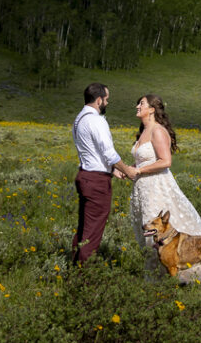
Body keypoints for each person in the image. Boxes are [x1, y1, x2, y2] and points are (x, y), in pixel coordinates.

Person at [127, 94, 201, 288]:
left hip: (157, 187)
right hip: (143, 189)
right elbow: (146, 160)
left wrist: (138, 170)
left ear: (152, 109)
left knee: (160, 233)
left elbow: (166, 161)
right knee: (147, 234)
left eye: (141, 103)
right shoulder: (144, 131)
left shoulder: (158, 131)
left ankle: (200, 273)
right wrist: (127, 169)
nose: (137, 106)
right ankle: (157, 279)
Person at [71, 82, 136, 264]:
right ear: (99, 100)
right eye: (106, 99)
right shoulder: (96, 120)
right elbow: (108, 152)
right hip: (96, 181)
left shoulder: (79, 119)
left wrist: (112, 169)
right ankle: (84, 277)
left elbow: (92, 152)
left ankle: (74, 267)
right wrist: (127, 170)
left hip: (85, 175)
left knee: (84, 228)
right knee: (92, 232)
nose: (107, 103)